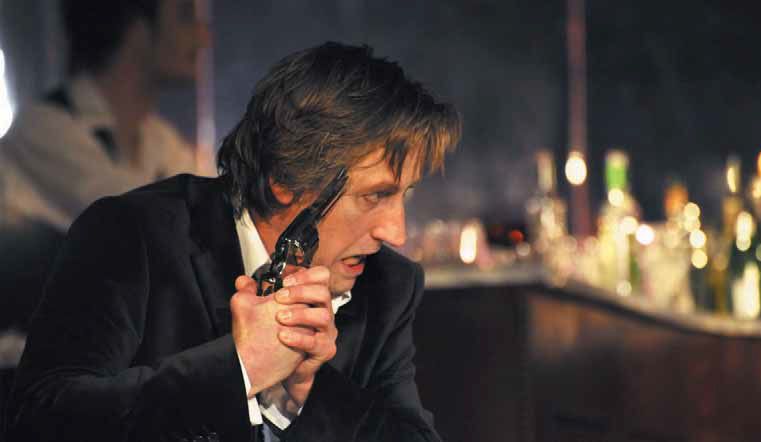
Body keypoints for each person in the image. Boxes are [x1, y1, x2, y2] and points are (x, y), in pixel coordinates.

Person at [5, 42, 461, 441]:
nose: (396, 232)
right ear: (287, 180)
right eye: (375, 196)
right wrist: (240, 368)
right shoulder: (132, 236)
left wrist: (308, 391)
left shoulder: (388, 285)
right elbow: (40, 423)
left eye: (404, 195)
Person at [0, 0, 208, 332]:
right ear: (138, 30)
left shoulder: (159, 140)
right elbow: (146, 226)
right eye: (184, 16)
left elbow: (209, 228)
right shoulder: (45, 130)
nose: (203, 37)